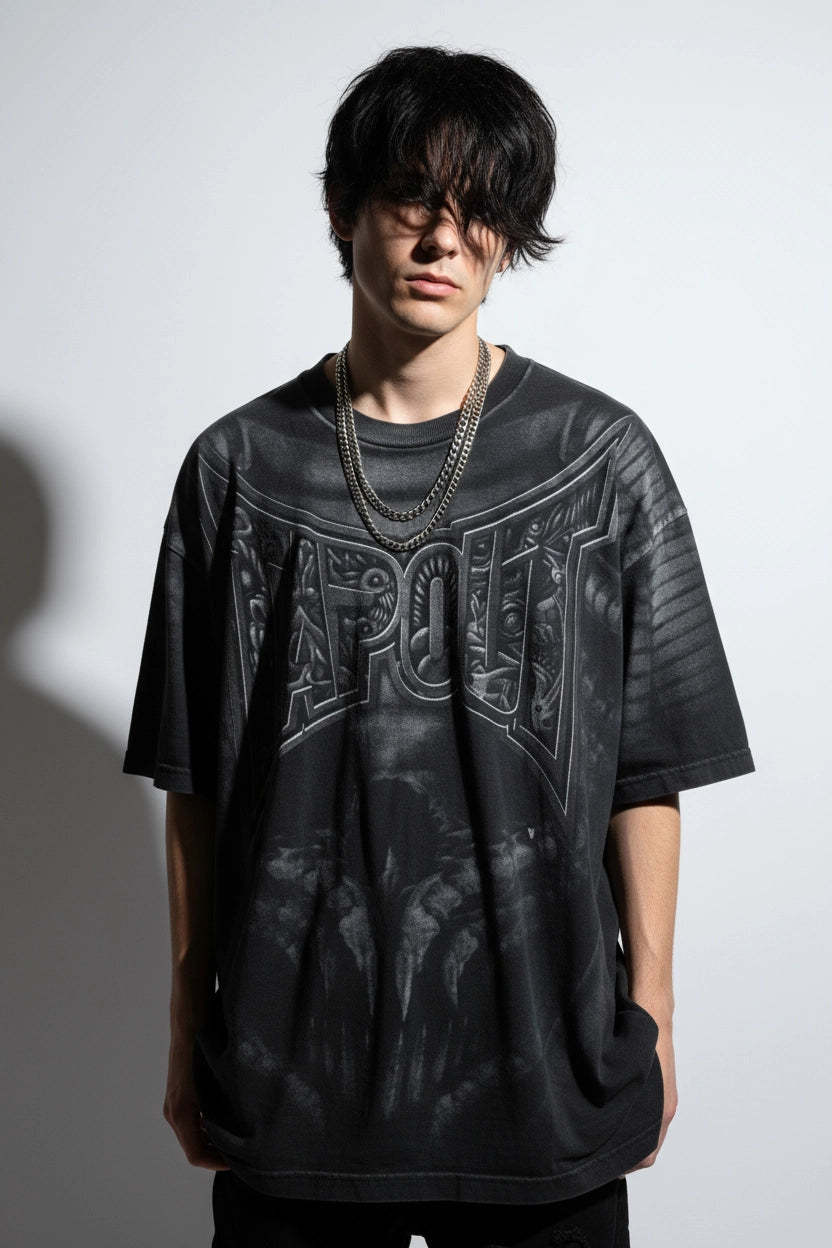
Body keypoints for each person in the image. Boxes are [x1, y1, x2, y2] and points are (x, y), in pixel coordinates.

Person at [122, 44, 756, 1248]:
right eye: (412, 198)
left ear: (510, 239)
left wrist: (654, 1011)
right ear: (342, 209)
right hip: (293, 1080)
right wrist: (182, 1027)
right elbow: (196, 781)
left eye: (482, 212)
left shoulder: (600, 459)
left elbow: (647, 767)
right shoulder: (236, 469)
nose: (443, 241)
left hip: (545, 1074)